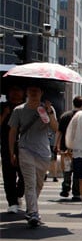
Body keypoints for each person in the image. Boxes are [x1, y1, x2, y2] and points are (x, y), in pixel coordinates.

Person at [7, 84, 58, 226]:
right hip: (25, 150)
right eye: (30, 91)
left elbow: (55, 128)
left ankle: (30, 210)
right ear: (26, 93)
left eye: (36, 91)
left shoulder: (47, 109)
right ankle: (34, 213)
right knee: (30, 183)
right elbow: (12, 132)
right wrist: (12, 152)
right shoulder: (19, 110)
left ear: (41, 93)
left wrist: (49, 112)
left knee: (39, 184)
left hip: (43, 152)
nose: (33, 93)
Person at [1, 85, 26, 214]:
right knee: (8, 174)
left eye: (18, 89)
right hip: (6, 145)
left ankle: (19, 193)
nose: (15, 92)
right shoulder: (3, 107)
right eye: (13, 89)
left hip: (26, 146)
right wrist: (4, 114)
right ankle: (12, 202)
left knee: (24, 175)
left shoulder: (28, 108)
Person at [55, 95, 82, 201]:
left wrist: (56, 145)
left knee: (67, 168)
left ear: (73, 103)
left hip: (65, 146)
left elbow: (59, 131)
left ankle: (66, 187)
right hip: (79, 147)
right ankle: (76, 193)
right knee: (77, 169)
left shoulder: (65, 116)